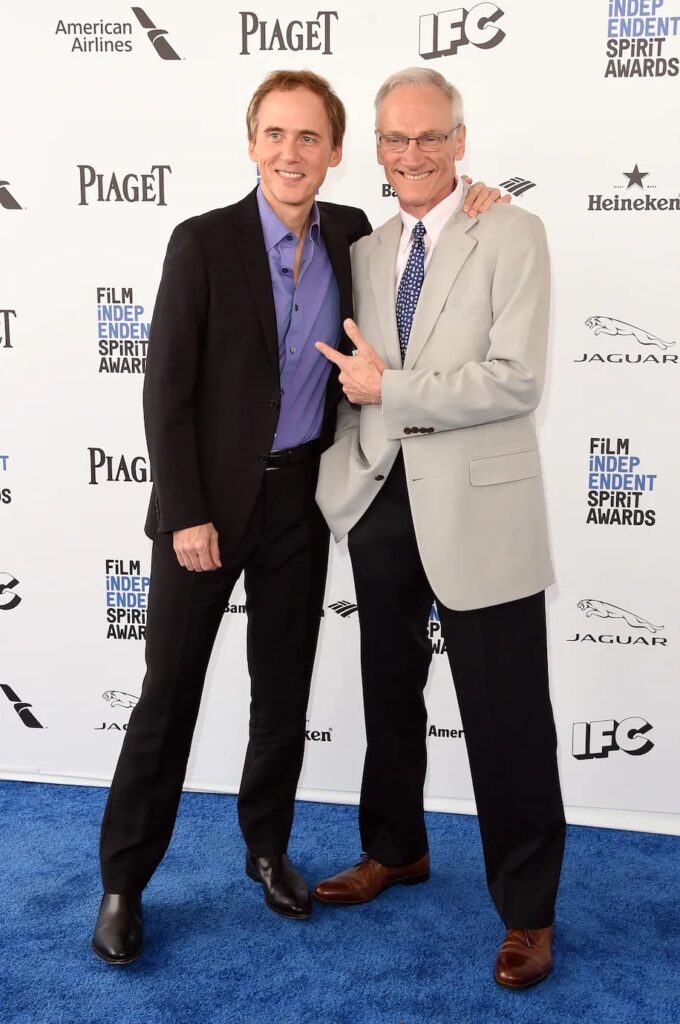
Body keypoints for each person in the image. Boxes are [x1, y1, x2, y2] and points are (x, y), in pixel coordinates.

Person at [91, 68, 502, 965]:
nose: (291, 152)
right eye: (275, 134)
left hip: (300, 503)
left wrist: (479, 206)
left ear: (336, 153)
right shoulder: (200, 243)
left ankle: (267, 850)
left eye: (309, 138)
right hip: (204, 509)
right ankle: (123, 881)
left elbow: (423, 251)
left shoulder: (354, 235)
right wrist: (187, 514)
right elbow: (165, 395)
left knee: (280, 695)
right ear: (251, 143)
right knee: (168, 697)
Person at [314, 67, 566, 990]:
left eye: (429, 137)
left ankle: (529, 914)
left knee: (507, 721)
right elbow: (346, 368)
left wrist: (395, 391)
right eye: (394, 139)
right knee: (388, 696)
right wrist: (350, 469)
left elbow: (515, 379)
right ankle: (396, 848)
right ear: (376, 150)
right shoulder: (368, 249)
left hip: (482, 509)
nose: (411, 154)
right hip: (383, 502)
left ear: (461, 140)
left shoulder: (514, 232)